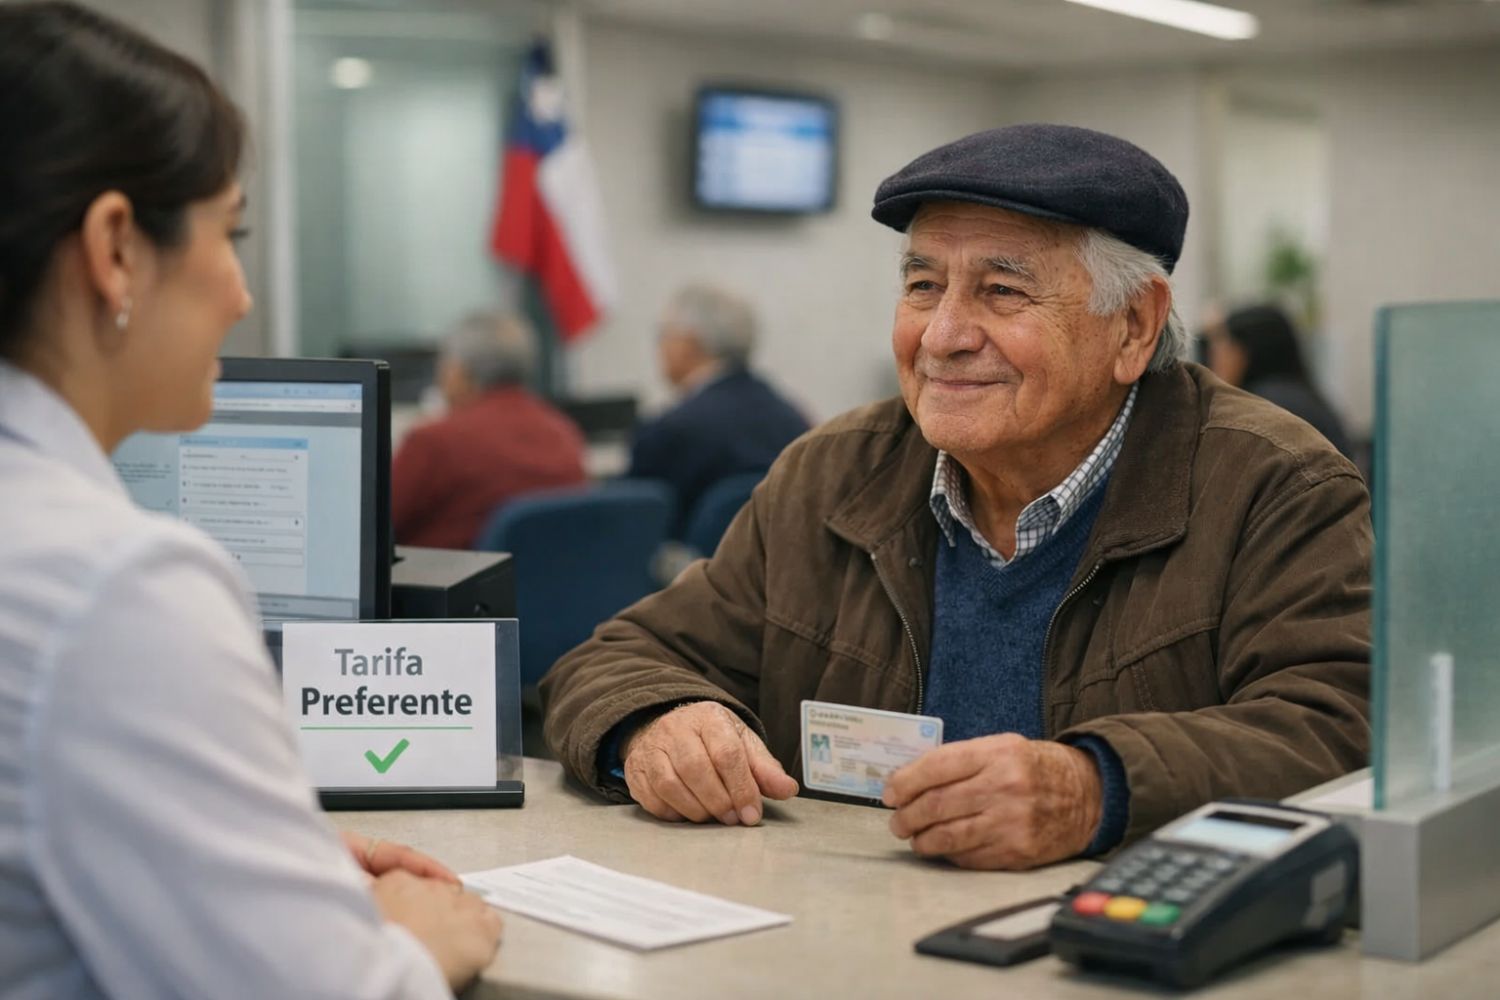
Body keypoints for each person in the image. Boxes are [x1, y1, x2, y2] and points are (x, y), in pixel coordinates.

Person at [542, 124, 1371, 871]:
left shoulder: (1276, 485)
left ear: (1134, 328)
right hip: (838, 943)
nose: (942, 336)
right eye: (923, 286)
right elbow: (614, 660)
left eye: (1002, 291)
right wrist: (654, 719)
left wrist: (1094, 788)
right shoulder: (830, 474)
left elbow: (1339, 729)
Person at [0, 4, 501, 996]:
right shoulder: (116, 585)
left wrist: (252, 851)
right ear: (113, 249)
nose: (241, 295)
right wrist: (413, 943)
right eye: (228, 234)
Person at [392, 310, 587, 549]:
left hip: (451, 581)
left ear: (457, 371)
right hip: (551, 583)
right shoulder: (564, 431)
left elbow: (370, 529)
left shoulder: (434, 442)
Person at [627, 283, 809, 536]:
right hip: (783, 567)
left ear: (688, 344)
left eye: (663, 334)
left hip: (697, 572)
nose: (660, 347)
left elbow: (631, 522)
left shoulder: (670, 430)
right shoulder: (794, 418)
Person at [1204, 302, 1354, 458]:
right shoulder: (1299, 397)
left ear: (1248, 351)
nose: (1214, 356)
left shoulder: (1266, 407)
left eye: (1223, 345)